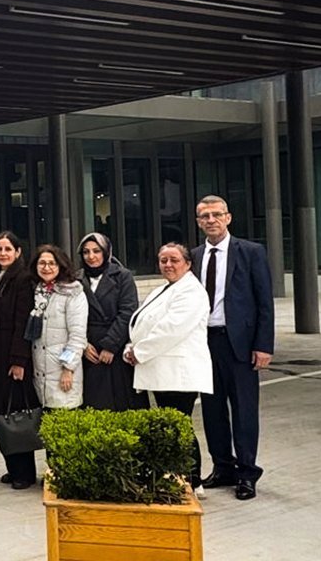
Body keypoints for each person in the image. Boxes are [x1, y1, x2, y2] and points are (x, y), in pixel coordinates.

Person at [192, 195, 274, 501]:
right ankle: (223, 467)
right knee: (212, 410)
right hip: (205, 343)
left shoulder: (251, 252)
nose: (211, 220)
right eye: (205, 216)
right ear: (198, 222)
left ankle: (247, 472)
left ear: (228, 217)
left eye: (216, 214)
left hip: (239, 343)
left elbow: (264, 301)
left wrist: (263, 345)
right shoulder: (194, 256)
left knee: (244, 410)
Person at [124, 242, 213, 498]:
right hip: (163, 370)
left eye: (174, 260)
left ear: (188, 264)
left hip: (178, 372)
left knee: (179, 427)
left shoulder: (192, 292)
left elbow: (171, 329)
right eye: (163, 260)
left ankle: (192, 480)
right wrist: (131, 346)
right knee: (171, 427)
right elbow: (143, 324)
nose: (168, 265)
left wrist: (139, 352)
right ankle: (179, 477)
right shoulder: (165, 289)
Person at [0, 232, 39, 490]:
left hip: (12, 352)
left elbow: (23, 321)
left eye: (8, 249)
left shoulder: (24, 279)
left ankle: (25, 472)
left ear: (18, 252)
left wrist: (19, 360)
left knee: (17, 413)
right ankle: (12, 468)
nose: (3, 253)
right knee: (0, 413)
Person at [77, 233, 147, 411]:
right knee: (92, 404)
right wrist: (83, 343)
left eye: (96, 251)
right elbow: (72, 316)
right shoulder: (76, 279)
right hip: (88, 348)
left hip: (114, 348)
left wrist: (110, 345)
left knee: (119, 403)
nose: (91, 256)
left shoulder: (123, 276)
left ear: (106, 252)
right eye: (86, 252)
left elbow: (127, 312)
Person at [29, 245, 88, 410]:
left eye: (52, 263)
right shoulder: (37, 291)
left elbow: (77, 336)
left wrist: (68, 369)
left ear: (61, 265)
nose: (46, 268)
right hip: (40, 373)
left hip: (63, 372)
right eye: (42, 263)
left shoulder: (73, 293)